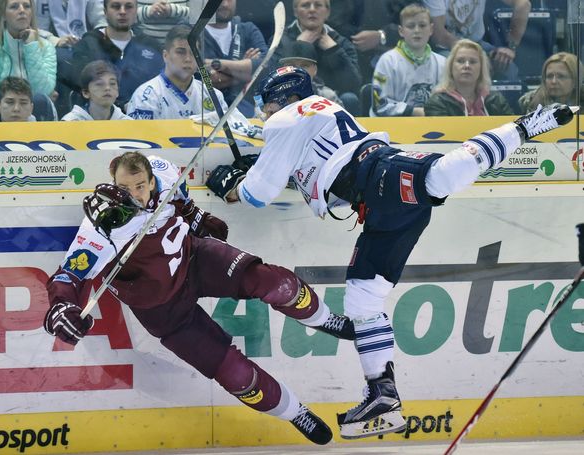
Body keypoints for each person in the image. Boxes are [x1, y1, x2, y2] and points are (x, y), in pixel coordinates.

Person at [205, 65, 576, 439]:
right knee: (363, 298)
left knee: (438, 177)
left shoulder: (286, 118)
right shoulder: (315, 111)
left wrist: (233, 184)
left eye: (267, 105)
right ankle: (383, 397)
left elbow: (257, 194)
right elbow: (306, 166)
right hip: (379, 202)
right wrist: (258, 165)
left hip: (377, 175)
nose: (264, 113)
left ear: (283, 99)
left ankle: (524, 127)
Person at [43, 151, 360, 445]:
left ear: (152, 180)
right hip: (162, 308)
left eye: (140, 186)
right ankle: (295, 413)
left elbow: (180, 199)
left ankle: (324, 320)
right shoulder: (103, 226)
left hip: (196, 260)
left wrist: (196, 218)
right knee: (238, 376)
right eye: (124, 188)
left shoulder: (165, 174)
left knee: (277, 284)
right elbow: (68, 275)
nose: (133, 194)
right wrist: (61, 307)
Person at [125, 25, 259, 138]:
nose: (188, 58)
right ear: (165, 56)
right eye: (181, 52)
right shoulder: (146, 96)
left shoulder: (213, 95)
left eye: (193, 52)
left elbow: (225, 139)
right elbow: (140, 146)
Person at [0, 0, 58, 122]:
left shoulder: (46, 48)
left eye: (27, 6)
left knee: (40, 100)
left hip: (34, 120)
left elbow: (42, 93)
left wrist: (32, 47)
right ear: (3, 15)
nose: (22, 10)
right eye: (14, 7)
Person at [71, 0, 163, 109]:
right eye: (116, 7)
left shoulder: (151, 47)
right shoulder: (88, 45)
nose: (122, 12)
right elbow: (83, 86)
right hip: (99, 118)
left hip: (143, 117)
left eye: (128, 7)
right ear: (105, 12)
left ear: (136, 11)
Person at [274, 0, 361, 115]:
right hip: (291, 101)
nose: (312, 9)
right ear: (295, 11)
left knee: (349, 98)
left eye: (318, 5)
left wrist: (334, 51)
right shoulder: (280, 39)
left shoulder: (341, 42)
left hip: (331, 104)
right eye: (305, 5)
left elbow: (354, 85)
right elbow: (273, 80)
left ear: (328, 12)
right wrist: (298, 47)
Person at [422, 0, 530, 80]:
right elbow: (439, 36)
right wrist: (475, 53)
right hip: (444, 48)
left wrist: (510, 47)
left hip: (477, 43)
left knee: (507, 68)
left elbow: (523, 4)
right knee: (451, 68)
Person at [371, 3, 445, 117]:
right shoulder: (386, 62)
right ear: (401, 31)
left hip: (432, 127)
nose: (417, 30)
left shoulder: (442, 63)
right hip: (393, 128)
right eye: (410, 26)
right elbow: (379, 105)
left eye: (422, 25)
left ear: (431, 29)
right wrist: (415, 112)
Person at [202, 0, 268, 118]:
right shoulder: (192, 31)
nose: (225, 4)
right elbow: (207, 79)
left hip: (246, 114)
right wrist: (244, 70)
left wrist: (216, 64)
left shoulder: (248, 29)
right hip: (206, 112)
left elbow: (264, 68)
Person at [424, 39, 512, 116]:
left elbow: (513, 131)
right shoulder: (438, 102)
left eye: (473, 62)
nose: (467, 66)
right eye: (460, 61)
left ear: (481, 68)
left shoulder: (496, 100)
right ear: (451, 67)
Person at [62, 60, 131, 120]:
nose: (107, 88)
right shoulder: (70, 123)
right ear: (86, 92)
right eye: (100, 84)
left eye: (112, 83)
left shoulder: (128, 124)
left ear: (117, 91)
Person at [278, 40, 341, 106]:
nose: (298, 70)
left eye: (305, 65)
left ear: (315, 70)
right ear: (282, 70)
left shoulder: (327, 96)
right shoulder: (273, 98)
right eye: (291, 65)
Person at [519, 52, 584, 114]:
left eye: (561, 76)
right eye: (549, 76)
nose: (554, 81)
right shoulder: (530, 103)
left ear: (576, 80)